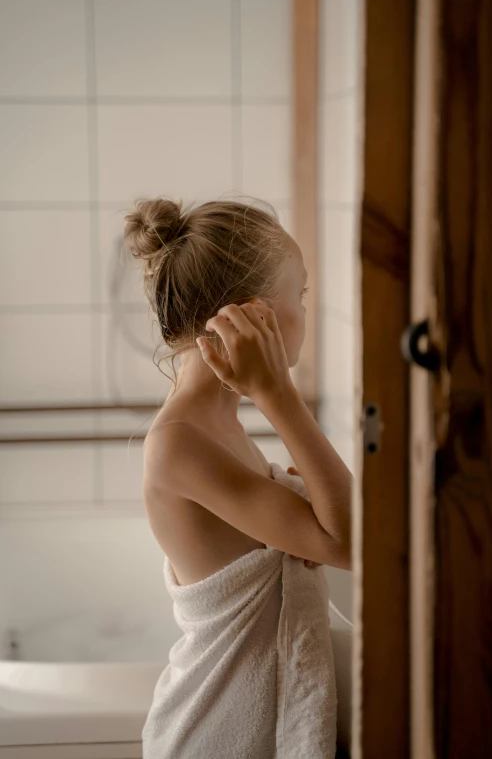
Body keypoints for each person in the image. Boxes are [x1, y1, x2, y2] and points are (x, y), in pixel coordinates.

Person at [123, 196, 353, 758]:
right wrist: (277, 392)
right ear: (255, 318)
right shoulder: (180, 442)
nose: (306, 310)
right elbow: (350, 542)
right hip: (212, 732)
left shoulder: (219, 422)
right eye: (298, 294)